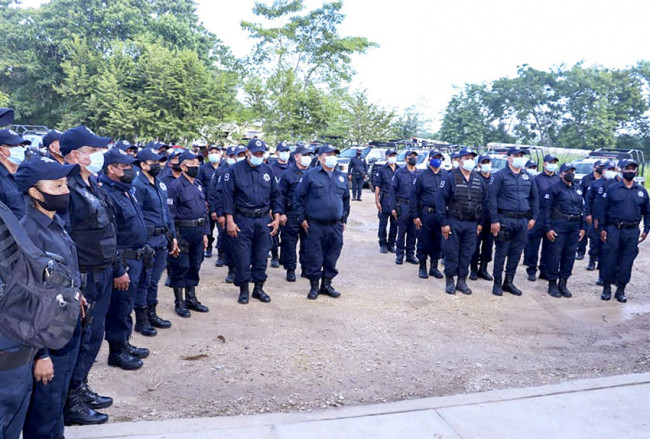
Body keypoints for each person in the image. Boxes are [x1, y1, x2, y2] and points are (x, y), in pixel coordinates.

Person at [14, 157, 97, 438]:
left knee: (56, 406)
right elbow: (26, 303)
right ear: (35, 193)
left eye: (65, 184)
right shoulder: (28, 234)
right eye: (57, 185)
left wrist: (76, 295)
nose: (65, 191)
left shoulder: (54, 223)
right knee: (43, 412)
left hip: (65, 330)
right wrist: (42, 355)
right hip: (46, 341)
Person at [60, 125, 116, 425]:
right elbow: (64, 239)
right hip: (84, 275)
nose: (99, 155)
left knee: (94, 336)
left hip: (102, 269)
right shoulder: (66, 188)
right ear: (74, 155)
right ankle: (72, 402)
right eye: (93, 151)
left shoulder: (93, 183)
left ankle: (80, 386)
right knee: (80, 339)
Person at [100, 148, 150, 369]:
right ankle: (116, 352)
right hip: (123, 260)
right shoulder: (107, 194)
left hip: (136, 258)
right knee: (118, 308)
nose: (132, 170)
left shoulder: (125, 190)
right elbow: (110, 237)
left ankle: (125, 342)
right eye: (126, 167)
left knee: (127, 304)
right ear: (111, 169)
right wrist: (119, 268)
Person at [223, 139, 282, 304]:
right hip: (242, 219)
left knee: (261, 256)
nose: (258, 156)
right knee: (242, 257)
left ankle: (258, 288)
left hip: (263, 220)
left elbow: (276, 196)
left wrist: (277, 217)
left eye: (261, 153)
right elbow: (227, 197)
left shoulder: (268, 171)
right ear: (247, 152)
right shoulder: (234, 171)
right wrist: (229, 220)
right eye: (255, 153)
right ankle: (243, 289)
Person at [295, 144, 350, 299]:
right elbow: (299, 198)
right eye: (328, 154)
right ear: (320, 158)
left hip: (335, 226)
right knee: (314, 256)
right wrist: (302, 219)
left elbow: (346, 200)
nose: (332, 157)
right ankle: (314, 286)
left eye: (334, 154)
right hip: (315, 225)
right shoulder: (310, 175)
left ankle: (327, 284)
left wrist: (344, 219)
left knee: (332, 256)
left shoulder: (341, 176)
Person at [133, 148, 179, 334]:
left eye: (160, 162)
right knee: (144, 280)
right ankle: (141, 319)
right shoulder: (138, 185)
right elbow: (137, 216)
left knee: (154, 280)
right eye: (154, 162)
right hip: (148, 240)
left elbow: (166, 214)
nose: (158, 165)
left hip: (162, 238)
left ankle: (152, 313)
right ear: (143, 165)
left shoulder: (159, 184)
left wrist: (173, 236)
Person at [488, 146, 539, 297]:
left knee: (516, 253)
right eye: (516, 155)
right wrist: (494, 220)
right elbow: (492, 199)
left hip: (522, 220)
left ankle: (508, 282)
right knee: (501, 252)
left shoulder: (528, 176)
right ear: (509, 157)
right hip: (505, 219)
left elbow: (535, 198)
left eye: (521, 155)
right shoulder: (500, 176)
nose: (519, 158)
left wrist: (533, 217)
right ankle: (497, 283)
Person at [597, 158, 649, 303]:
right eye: (627, 168)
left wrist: (646, 229)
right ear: (621, 170)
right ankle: (606, 288)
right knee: (609, 259)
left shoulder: (641, 191)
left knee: (627, 261)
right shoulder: (612, 189)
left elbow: (647, 212)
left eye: (633, 168)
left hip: (632, 231)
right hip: (614, 229)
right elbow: (602, 210)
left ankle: (621, 290)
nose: (630, 171)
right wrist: (602, 228)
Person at [438, 147, 488, 295]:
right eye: (466, 158)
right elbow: (441, 201)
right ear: (459, 161)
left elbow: (485, 203)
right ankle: (450, 281)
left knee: (467, 254)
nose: (469, 161)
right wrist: (444, 223)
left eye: (472, 158)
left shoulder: (479, 179)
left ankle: (462, 281)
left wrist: (481, 224)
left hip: (472, 223)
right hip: (454, 221)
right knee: (452, 252)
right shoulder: (450, 177)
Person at [166, 150, 210, 316]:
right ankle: (179, 302)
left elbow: (203, 211)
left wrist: (205, 233)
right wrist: (174, 237)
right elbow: (170, 213)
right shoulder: (175, 186)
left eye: (197, 164)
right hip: (182, 230)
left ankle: (191, 298)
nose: (196, 166)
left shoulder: (198, 184)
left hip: (198, 231)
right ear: (183, 167)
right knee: (181, 266)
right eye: (192, 164)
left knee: (195, 265)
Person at [542, 163, 586, 298]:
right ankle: (552, 284)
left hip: (574, 227)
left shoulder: (577, 189)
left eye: (573, 171)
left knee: (569, 256)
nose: (571, 173)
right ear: (561, 174)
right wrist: (548, 229)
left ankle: (563, 283)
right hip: (559, 226)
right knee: (555, 255)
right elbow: (547, 211)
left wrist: (583, 228)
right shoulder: (554, 189)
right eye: (568, 171)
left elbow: (583, 210)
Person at [208, 146, 244, 282]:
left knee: (243, 244)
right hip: (226, 211)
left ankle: (244, 270)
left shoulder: (245, 170)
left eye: (239, 155)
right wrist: (216, 211)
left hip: (243, 213)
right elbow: (214, 193)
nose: (236, 158)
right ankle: (231, 270)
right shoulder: (221, 172)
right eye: (233, 155)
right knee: (229, 241)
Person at [523, 154, 560, 282]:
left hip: (552, 217)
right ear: (544, 164)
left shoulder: (558, 179)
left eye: (555, 162)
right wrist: (531, 216)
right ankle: (531, 269)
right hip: (538, 215)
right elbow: (531, 198)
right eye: (550, 162)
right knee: (533, 244)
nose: (552, 164)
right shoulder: (536, 179)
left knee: (549, 245)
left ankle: (544, 269)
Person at [278, 145, 312, 282]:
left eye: (309, 155)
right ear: (297, 156)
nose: (307, 158)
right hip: (291, 213)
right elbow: (280, 195)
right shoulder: (288, 174)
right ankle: (290, 269)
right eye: (305, 155)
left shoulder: (313, 173)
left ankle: (305, 268)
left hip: (308, 214)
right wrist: (281, 213)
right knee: (289, 243)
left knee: (308, 243)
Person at [411, 150, 445, 279]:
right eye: (435, 158)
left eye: (440, 158)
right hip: (426, 214)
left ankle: (434, 267)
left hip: (440, 215)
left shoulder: (445, 175)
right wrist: (415, 215)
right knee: (424, 241)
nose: (438, 160)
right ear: (429, 159)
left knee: (438, 241)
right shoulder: (422, 176)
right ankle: (422, 266)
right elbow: (414, 196)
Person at [586, 161, 617, 282]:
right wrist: (588, 214)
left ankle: (603, 273)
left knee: (607, 247)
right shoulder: (595, 184)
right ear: (603, 170)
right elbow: (588, 200)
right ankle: (592, 260)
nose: (611, 171)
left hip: (610, 221)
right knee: (595, 241)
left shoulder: (617, 185)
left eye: (613, 169)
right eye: (609, 168)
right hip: (596, 218)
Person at [389, 150, 420, 265]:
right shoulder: (399, 173)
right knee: (402, 231)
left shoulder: (419, 174)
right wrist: (392, 207)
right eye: (411, 157)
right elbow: (392, 192)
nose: (413, 159)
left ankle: (410, 254)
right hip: (403, 205)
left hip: (415, 207)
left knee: (413, 232)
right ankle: (400, 254)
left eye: (415, 157)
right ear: (406, 159)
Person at [470, 154, 494, 281]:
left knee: (488, 246)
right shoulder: (475, 178)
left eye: (488, 162)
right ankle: (473, 269)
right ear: (479, 164)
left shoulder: (494, 179)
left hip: (491, 219)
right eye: (483, 162)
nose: (486, 164)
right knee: (475, 245)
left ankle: (483, 269)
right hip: (478, 218)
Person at [197, 145, 223, 258]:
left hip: (221, 202)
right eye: (211, 152)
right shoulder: (203, 169)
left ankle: (221, 252)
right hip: (207, 202)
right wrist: (203, 200)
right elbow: (199, 184)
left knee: (222, 229)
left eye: (216, 152)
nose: (214, 154)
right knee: (209, 227)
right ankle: (208, 247)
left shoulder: (225, 167)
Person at [269, 142, 291, 268]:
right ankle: (274, 255)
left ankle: (284, 257)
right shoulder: (271, 169)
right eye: (283, 151)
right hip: (275, 205)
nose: (285, 153)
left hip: (289, 207)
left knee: (288, 235)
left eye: (287, 150)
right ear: (277, 153)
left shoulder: (292, 168)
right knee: (274, 233)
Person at [0, 128, 31, 219]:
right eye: (14, 145)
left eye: (21, 145)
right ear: (1, 150)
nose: (20, 149)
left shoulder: (24, 174)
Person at [577, 161, 603, 260]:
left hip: (598, 212)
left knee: (596, 234)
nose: (601, 168)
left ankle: (595, 254)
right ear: (594, 167)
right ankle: (580, 251)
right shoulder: (586, 179)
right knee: (583, 230)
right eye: (599, 166)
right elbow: (580, 194)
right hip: (586, 209)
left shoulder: (605, 181)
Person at [374, 148, 398, 253]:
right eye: (390, 155)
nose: (392, 157)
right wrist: (377, 201)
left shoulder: (399, 169)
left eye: (394, 155)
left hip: (396, 200)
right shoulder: (382, 169)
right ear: (386, 157)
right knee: (383, 222)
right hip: (385, 198)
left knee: (395, 223)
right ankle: (383, 243)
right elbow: (377, 186)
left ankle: (391, 244)